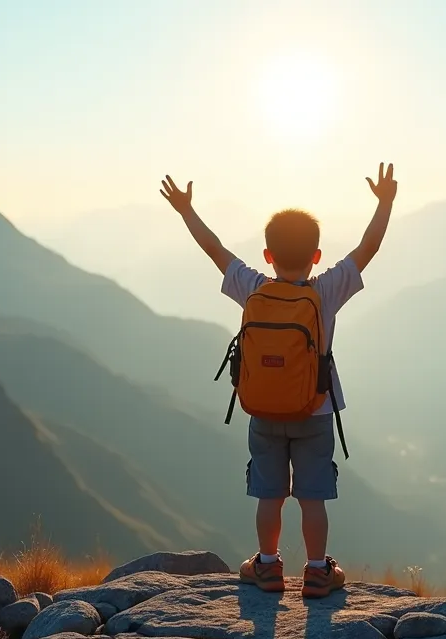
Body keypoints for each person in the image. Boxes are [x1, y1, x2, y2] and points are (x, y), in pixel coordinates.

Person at [159, 163, 397, 598]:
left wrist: (185, 211)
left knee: (268, 494)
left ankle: (266, 566)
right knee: (312, 496)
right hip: (316, 410)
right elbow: (369, 247)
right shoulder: (326, 291)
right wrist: (385, 203)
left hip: (262, 409)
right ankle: (317, 571)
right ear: (317, 256)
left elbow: (214, 250)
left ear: (268, 256)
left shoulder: (252, 288)